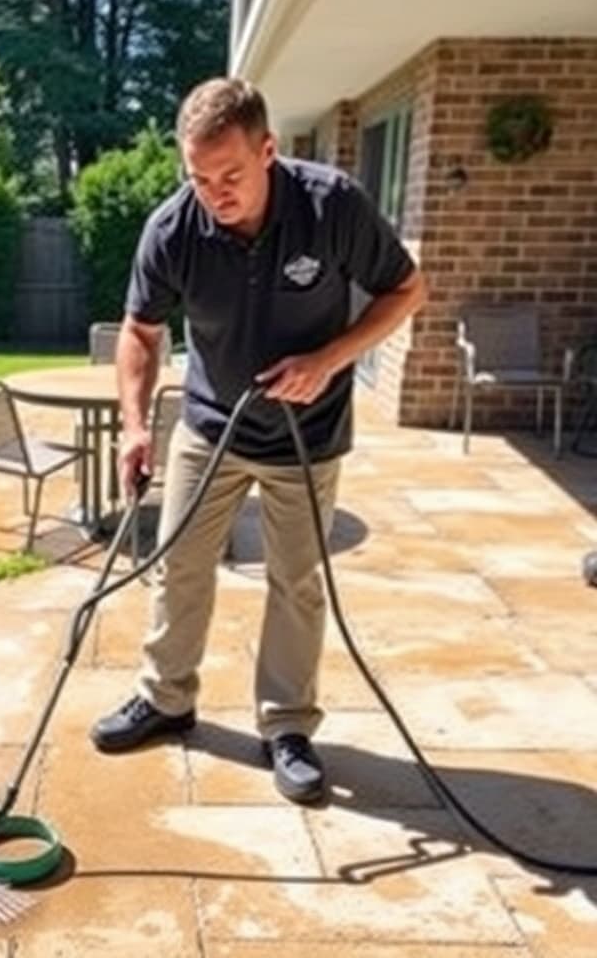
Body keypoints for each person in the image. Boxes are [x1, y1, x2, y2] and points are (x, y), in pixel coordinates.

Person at [90, 77, 427, 804]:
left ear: (268, 151)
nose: (215, 192)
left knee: (297, 583)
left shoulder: (330, 206)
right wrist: (136, 424)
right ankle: (167, 698)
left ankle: (287, 726)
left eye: (231, 175)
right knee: (178, 565)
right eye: (198, 177)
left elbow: (408, 291)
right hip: (210, 428)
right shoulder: (172, 228)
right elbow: (141, 331)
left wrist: (328, 360)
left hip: (309, 437)